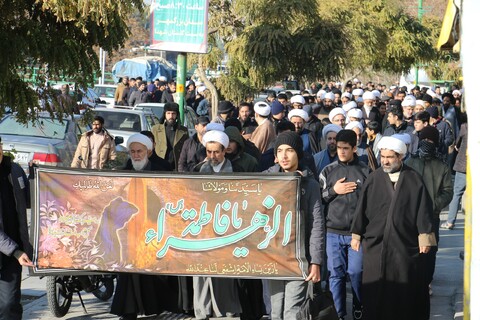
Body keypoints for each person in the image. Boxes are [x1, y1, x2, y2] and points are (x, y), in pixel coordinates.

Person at [350, 136, 437, 320]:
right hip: (376, 245)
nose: (385, 161)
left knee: (403, 288)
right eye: (383, 156)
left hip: (404, 246)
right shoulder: (374, 179)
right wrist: (356, 235)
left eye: (390, 157)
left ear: (400, 157)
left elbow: (424, 210)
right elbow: (362, 209)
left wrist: (424, 236)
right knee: (375, 288)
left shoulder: (414, 180)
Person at [111, 134, 178, 320]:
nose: (136, 155)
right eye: (132, 152)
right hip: (127, 234)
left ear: (148, 151)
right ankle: (128, 312)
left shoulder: (159, 172)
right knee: (127, 275)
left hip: (152, 232)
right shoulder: (122, 173)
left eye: (139, 151)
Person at [264, 131, 325, 319]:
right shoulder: (265, 181)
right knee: (275, 310)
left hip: (299, 257)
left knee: (293, 310)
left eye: (289, 150)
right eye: (280, 151)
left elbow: (317, 225)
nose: (284, 156)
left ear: (298, 153)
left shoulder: (310, 184)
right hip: (272, 256)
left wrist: (315, 261)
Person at [319, 130, 370, 320]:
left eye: (346, 148)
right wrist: (334, 190)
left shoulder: (365, 171)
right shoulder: (327, 171)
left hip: (356, 234)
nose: (341, 151)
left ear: (354, 148)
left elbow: (371, 202)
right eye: (339, 148)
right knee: (335, 275)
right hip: (332, 232)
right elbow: (319, 199)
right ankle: (338, 313)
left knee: (356, 272)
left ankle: (359, 305)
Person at [193, 130, 242, 319]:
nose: (212, 156)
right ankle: (201, 311)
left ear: (224, 152)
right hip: (202, 228)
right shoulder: (197, 170)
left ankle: (226, 310)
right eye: (209, 152)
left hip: (228, 227)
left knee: (224, 272)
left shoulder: (236, 171)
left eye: (216, 152)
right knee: (201, 272)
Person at [405, 126, 453, 295]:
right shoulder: (410, 162)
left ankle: (426, 282)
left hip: (431, 216)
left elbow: (448, 191)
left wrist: (433, 205)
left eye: (431, 141)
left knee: (430, 251)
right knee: (411, 249)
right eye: (424, 141)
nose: (427, 144)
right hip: (410, 215)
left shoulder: (442, 165)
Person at [0, 137, 34, 320]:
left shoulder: (15, 170)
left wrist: (35, 176)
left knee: (9, 304)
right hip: (12, 251)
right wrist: (15, 251)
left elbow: (29, 200)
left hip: (14, 255)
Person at [442, 122, 468, 229]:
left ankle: (450, 222)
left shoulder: (465, 127)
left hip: (463, 165)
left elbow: (457, 144)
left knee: (457, 194)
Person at [151, 102, 189, 171]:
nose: (171, 116)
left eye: (173, 113)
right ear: (164, 114)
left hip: (176, 167)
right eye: (168, 113)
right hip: (159, 166)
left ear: (177, 115)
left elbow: (187, 150)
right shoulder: (155, 129)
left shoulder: (183, 131)